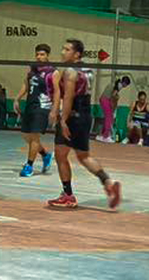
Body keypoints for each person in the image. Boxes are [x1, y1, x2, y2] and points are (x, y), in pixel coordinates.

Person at [47, 39, 121, 209]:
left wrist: (63, 120)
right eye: (63, 48)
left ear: (77, 54)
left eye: (67, 49)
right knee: (84, 156)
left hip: (73, 116)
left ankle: (68, 195)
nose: (63, 52)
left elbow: (68, 98)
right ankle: (108, 182)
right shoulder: (87, 70)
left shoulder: (70, 72)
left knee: (60, 154)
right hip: (86, 116)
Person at [15, 44, 55, 177]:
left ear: (47, 56)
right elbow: (26, 84)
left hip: (43, 106)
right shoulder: (32, 68)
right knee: (26, 135)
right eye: (37, 54)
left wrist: (55, 109)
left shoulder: (52, 71)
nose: (39, 57)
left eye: (42, 54)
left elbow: (57, 91)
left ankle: (29, 166)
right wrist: (17, 98)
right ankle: (45, 155)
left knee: (34, 136)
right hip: (30, 105)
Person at [98, 75, 130, 143]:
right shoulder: (119, 86)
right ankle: (106, 136)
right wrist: (113, 106)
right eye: (126, 85)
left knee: (108, 118)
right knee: (109, 118)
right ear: (125, 83)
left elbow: (113, 95)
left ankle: (102, 135)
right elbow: (113, 96)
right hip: (105, 100)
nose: (126, 86)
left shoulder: (117, 84)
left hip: (104, 99)